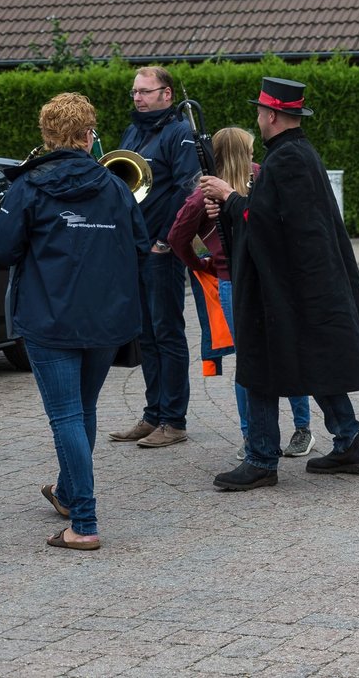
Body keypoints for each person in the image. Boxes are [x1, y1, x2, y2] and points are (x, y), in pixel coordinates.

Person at [200, 77, 359, 491]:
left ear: (271, 115)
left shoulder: (287, 160)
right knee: (316, 361)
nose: (257, 118)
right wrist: (233, 208)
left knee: (259, 363)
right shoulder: (296, 154)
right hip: (301, 282)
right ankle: (348, 441)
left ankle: (262, 458)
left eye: (259, 112)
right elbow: (276, 217)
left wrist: (230, 199)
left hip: (285, 285)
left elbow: (269, 223)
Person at [0, 93, 149, 549]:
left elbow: (2, 248)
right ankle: (67, 493)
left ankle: (83, 523)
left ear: (47, 134)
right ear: (87, 135)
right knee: (82, 411)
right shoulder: (116, 185)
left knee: (65, 417)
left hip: (49, 317)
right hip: (105, 318)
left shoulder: (30, 185)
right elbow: (140, 245)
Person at [168, 127, 315, 460]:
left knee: (248, 361)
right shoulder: (258, 178)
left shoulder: (206, 193)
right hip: (266, 277)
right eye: (249, 150)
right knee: (285, 350)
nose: (254, 156)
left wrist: (201, 264)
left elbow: (176, 238)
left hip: (232, 281)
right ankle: (300, 428)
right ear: (241, 154)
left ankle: (253, 436)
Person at [107, 66, 201, 448]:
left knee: (167, 331)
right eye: (134, 92)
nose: (138, 98)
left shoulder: (179, 133)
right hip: (135, 246)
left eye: (145, 92)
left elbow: (187, 190)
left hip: (160, 249)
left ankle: (174, 420)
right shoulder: (135, 130)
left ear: (166, 94)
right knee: (145, 334)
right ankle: (153, 414)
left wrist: (166, 239)